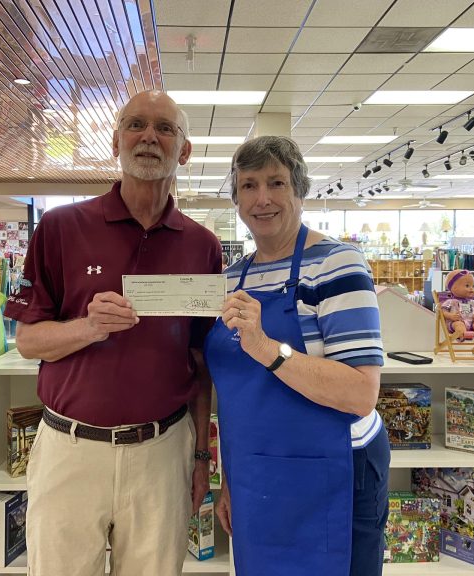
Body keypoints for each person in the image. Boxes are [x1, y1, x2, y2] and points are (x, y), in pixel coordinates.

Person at [3, 90, 221, 576]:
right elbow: (28, 340)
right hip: (70, 451)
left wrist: (201, 457)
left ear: (183, 150)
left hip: (163, 454)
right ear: (116, 140)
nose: (149, 136)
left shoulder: (202, 247)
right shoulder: (60, 227)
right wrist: (88, 327)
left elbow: (201, 361)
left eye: (165, 128)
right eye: (136, 124)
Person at [204, 136, 390, 576]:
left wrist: (268, 347)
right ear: (236, 199)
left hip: (333, 474)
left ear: (299, 192)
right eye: (249, 185)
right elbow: (232, 396)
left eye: (276, 183)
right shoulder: (230, 279)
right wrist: (229, 480)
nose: (262, 199)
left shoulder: (339, 264)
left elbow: (361, 393)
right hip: (256, 475)